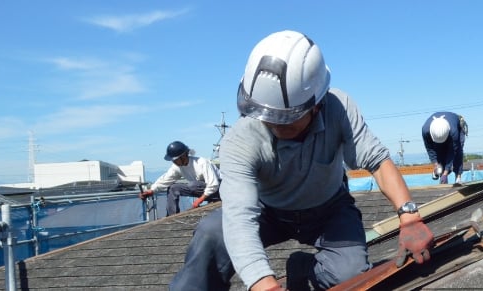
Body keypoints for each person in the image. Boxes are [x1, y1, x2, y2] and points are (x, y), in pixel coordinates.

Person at [169, 30, 433, 291]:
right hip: (268, 211)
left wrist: (409, 217)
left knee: (351, 276)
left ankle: (302, 268)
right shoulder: (240, 139)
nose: (273, 124)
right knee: (213, 232)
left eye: (285, 118)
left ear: (316, 104)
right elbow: (239, 217)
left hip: (329, 208)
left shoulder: (338, 108)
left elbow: (376, 161)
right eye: (266, 115)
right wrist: (263, 283)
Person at [140, 141, 220, 216]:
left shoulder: (202, 162)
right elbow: (165, 179)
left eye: (175, 160)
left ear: (184, 156)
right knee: (173, 188)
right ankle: (172, 216)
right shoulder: (177, 167)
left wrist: (200, 199)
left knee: (193, 185)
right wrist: (152, 190)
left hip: (219, 191)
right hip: (203, 191)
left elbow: (213, 184)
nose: (174, 162)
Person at [421, 112, 467, 185]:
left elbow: (452, 152)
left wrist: (445, 173)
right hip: (439, 133)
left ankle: (458, 178)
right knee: (439, 151)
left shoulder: (453, 132)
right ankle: (441, 174)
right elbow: (430, 149)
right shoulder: (425, 130)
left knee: (458, 151)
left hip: (456, 126)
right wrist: (436, 164)